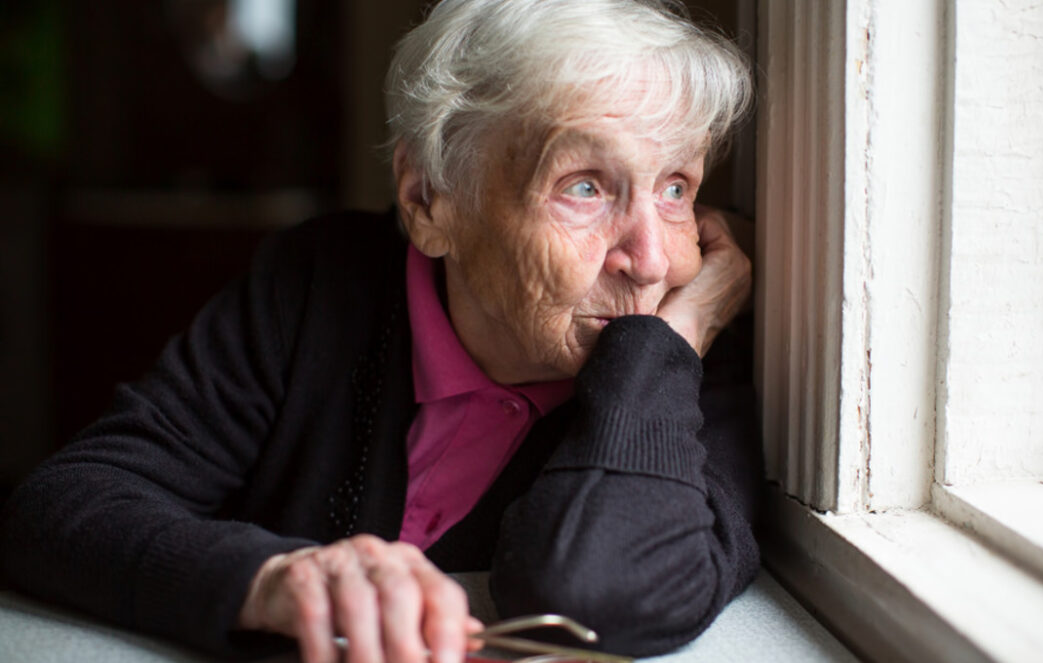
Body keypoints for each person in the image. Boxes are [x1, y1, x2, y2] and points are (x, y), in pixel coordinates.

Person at [0, 0, 760, 661]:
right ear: (429, 201)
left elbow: (596, 593)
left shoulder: (684, 362)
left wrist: (663, 348)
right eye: (585, 187)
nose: (653, 259)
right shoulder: (319, 285)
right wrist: (274, 581)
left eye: (675, 189)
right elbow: (63, 505)